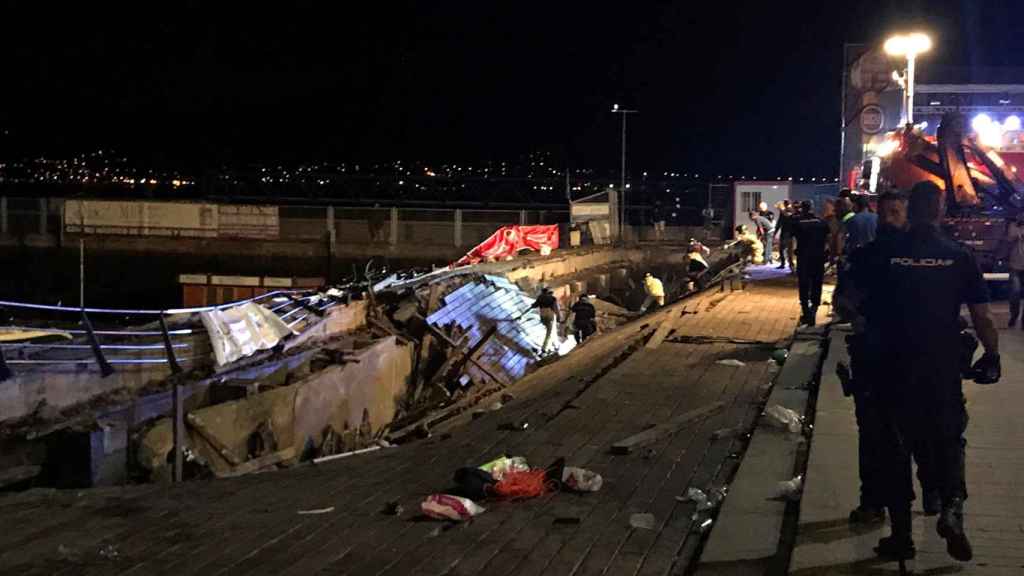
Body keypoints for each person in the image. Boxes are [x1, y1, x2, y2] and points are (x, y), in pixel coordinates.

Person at [856, 181, 1001, 562]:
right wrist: (993, 355)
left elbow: (852, 306)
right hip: (940, 369)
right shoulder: (958, 255)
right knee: (949, 441)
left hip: (890, 367)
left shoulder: (880, 254)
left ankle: (901, 537)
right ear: (938, 211)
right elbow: (983, 316)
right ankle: (952, 510)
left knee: (894, 450)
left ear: (910, 210)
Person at [837, 192, 917, 525]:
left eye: (895, 213)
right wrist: (853, 314)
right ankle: (872, 500)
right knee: (872, 434)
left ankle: (924, 499)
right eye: (885, 213)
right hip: (872, 359)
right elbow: (843, 299)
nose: (889, 219)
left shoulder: (920, 259)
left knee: (907, 434)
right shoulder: (864, 258)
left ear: (906, 216)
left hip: (911, 362)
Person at [793, 201, 830, 326]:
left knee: (803, 284)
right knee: (816, 283)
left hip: (803, 258)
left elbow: (790, 240)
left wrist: (791, 259)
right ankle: (813, 311)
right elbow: (828, 240)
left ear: (803, 209)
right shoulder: (822, 222)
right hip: (818, 258)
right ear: (813, 208)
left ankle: (806, 312)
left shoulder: (797, 222)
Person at [1006, 213, 1024, 328]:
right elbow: (1010, 237)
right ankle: (1014, 315)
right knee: (1015, 293)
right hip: (1015, 266)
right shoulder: (1013, 225)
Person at [530, 287, 560, 354]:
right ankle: (545, 348)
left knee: (550, 330)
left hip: (542, 314)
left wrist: (532, 305)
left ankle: (555, 345)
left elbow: (534, 305)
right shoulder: (552, 298)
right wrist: (558, 317)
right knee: (550, 331)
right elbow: (556, 308)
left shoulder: (540, 297)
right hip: (550, 314)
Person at [774, 200, 797, 271]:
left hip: (785, 233)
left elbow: (779, 223)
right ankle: (791, 264)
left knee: (782, 249)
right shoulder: (794, 211)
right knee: (790, 250)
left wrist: (775, 232)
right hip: (791, 233)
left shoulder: (783, 212)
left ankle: (783, 263)